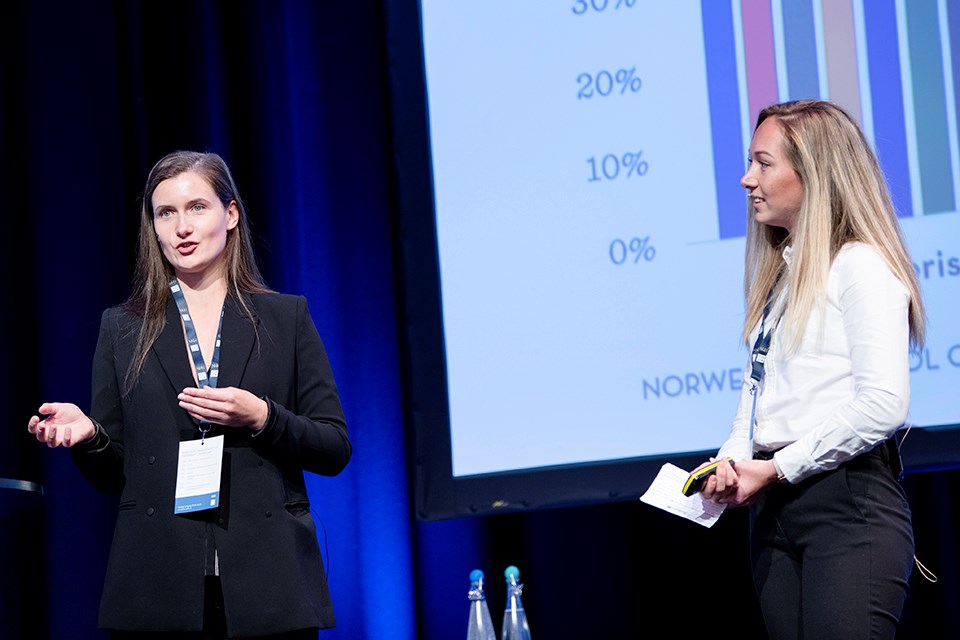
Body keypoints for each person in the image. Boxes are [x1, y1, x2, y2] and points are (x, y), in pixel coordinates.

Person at [27, 150, 352, 639]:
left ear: (231, 214)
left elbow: (333, 448)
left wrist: (262, 416)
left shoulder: (287, 319)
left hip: (269, 585)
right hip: (157, 587)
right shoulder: (123, 328)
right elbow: (115, 474)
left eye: (197, 207)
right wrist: (89, 436)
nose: (182, 227)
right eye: (166, 213)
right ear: (153, 228)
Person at [697, 100, 925, 639]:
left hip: (846, 510)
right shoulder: (782, 279)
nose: (746, 178)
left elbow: (884, 404)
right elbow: (756, 399)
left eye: (763, 163)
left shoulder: (860, 265)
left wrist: (776, 468)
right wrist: (732, 462)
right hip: (775, 515)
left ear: (814, 173)